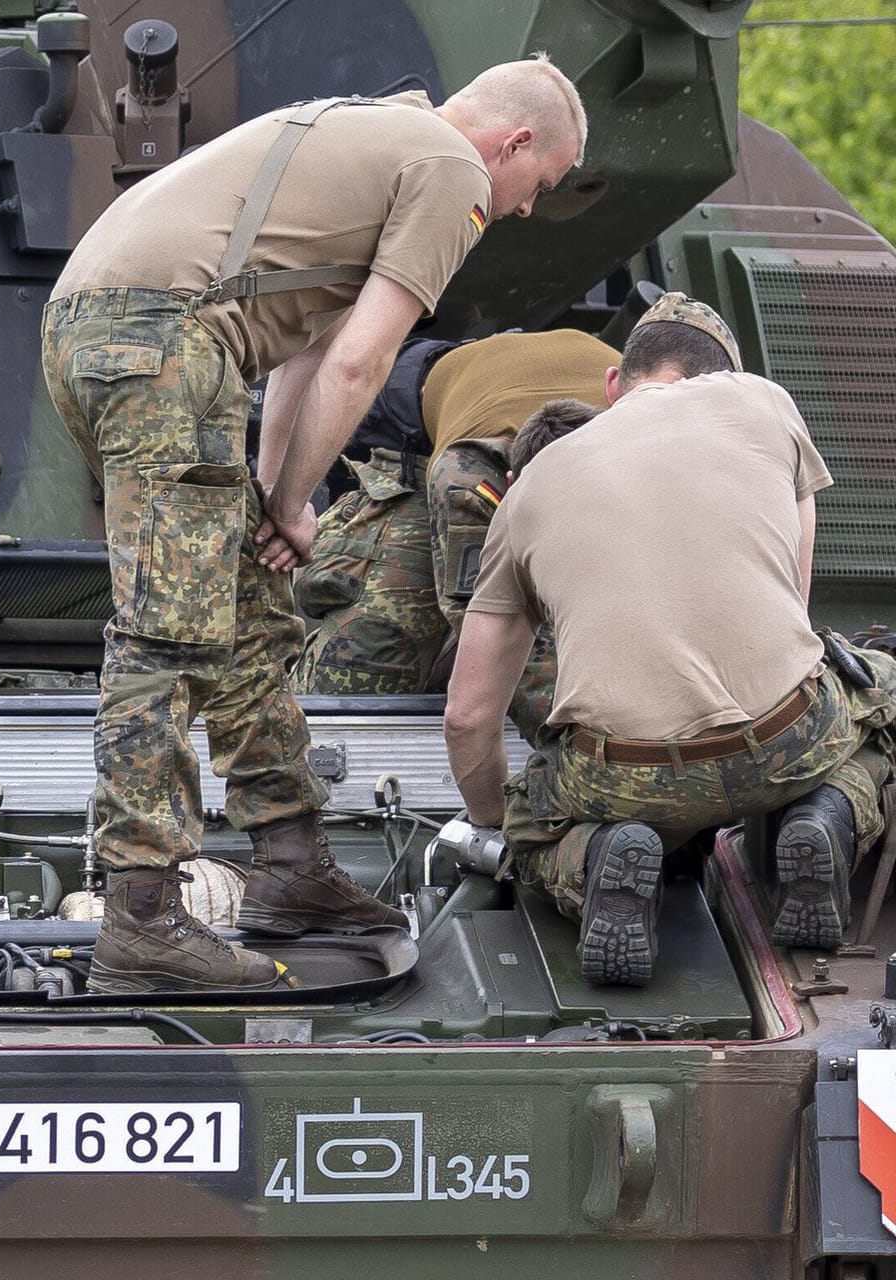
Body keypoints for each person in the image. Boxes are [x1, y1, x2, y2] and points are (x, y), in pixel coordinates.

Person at [42, 57, 587, 992]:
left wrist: (271, 497)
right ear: (515, 143)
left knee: (251, 610)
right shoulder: (451, 167)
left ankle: (292, 869)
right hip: (165, 344)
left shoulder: (368, 130)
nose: (530, 209)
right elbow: (362, 366)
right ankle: (142, 913)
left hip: (123, 335)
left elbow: (306, 347)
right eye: (542, 185)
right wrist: (300, 500)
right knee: (165, 639)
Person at [444, 294, 896, 986]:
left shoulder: (532, 486)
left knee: (530, 821)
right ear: (722, 375)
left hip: (623, 774)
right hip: (785, 735)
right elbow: (794, 613)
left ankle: (598, 858)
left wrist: (501, 822)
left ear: (612, 385)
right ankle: (828, 812)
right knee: (881, 693)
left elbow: (468, 716)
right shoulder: (765, 404)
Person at [296, 331, 616, 747]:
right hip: (419, 425)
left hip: (549, 379)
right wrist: (584, 754)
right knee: (370, 664)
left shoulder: (646, 451)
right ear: (511, 486)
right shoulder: (465, 478)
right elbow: (489, 631)